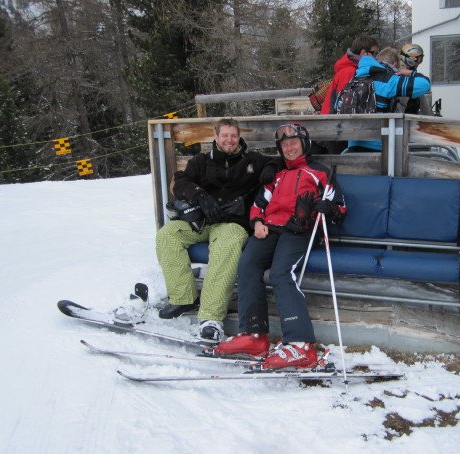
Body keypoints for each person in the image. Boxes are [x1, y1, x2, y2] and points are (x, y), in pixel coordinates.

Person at [212, 123, 346, 369]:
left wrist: (329, 210)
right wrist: (256, 222)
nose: (289, 148)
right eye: (284, 145)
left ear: (304, 144)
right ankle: (253, 335)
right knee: (248, 263)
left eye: (293, 143)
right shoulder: (275, 174)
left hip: (300, 229)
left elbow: (339, 208)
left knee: (281, 272)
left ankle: (300, 344)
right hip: (271, 228)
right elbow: (259, 203)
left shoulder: (320, 173)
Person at [155, 118, 283, 342]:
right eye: (224, 135)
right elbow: (181, 181)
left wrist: (270, 168)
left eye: (233, 136)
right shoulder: (200, 161)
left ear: (239, 137)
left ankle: (211, 316)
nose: (229, 140)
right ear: (216, 138)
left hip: (232, 223)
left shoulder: (252, 160)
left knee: (228, 243)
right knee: (167, 235)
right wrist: (200, 196)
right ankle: (183, 297)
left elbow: (279, 163)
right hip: (202, 221)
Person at [346, 46, 431, 152]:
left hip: (353, 146)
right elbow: (425, 84)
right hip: (379, 146)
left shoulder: (352, 82)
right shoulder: (388, 81)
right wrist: (411, 73)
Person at [320, 35, 380, 116]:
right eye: (374, 53)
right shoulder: (349, 72)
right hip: (334, 122)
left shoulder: (354, 69)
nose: (376, 57)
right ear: (363, 53)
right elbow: (345, 103)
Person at [397, 44, 434, 115]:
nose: (419, 63)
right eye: (419, 59)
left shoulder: (411, 78)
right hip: (400, 121)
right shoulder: (400, 78)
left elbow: (425, 110)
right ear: (410, 59)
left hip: (406, 120)